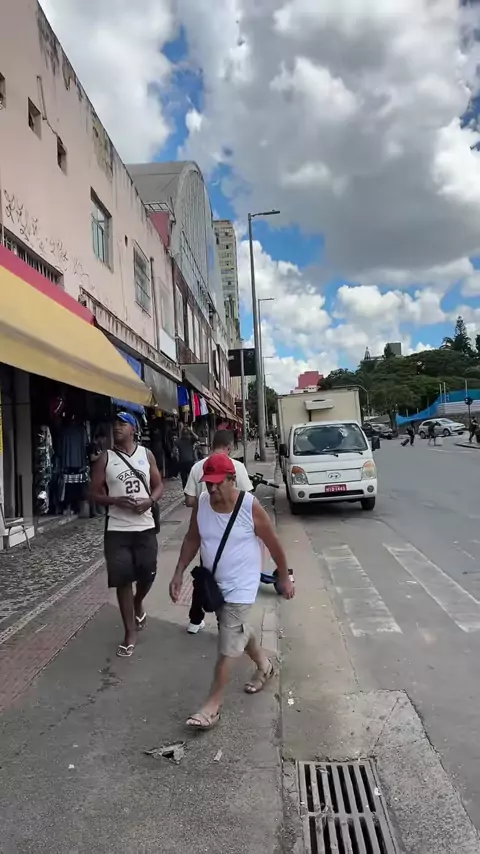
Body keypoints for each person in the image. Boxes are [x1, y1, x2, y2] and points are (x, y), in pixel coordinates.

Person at [169, 454, 294, 730]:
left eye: (218, 483)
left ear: (231, 479)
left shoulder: (249, 506)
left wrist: (284, 577)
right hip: (215, 585)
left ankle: (212, 706)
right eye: (208, 483)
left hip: (242, 585)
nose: (212, 489)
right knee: (237, 631)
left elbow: (273, 544)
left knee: (228, 644)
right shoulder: (202, 504)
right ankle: (265, 666)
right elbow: (192, 538)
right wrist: (178, 572)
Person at [89, 412, 164, 658]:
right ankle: (129, 633)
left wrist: (150, 501)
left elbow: (158, 485)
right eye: (115, 424)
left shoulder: (146, 455)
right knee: (122, 580)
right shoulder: (105, 458)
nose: (117, 427)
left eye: (123, 424)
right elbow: (93, 493)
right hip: (117, 530)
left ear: (133, 429)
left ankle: (138, 601)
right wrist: (115, 500)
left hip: (145, 526)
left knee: (148, 574)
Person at [184, 430, 254, 634]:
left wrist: (203, 505)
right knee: (228, 580)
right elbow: (247, 499)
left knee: (205, 576)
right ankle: (227, 625)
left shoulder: (197, 467)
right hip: (233, 534)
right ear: (229, 447)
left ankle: (195, 620)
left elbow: (188, 500)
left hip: (206, 532)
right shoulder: (237, 467)